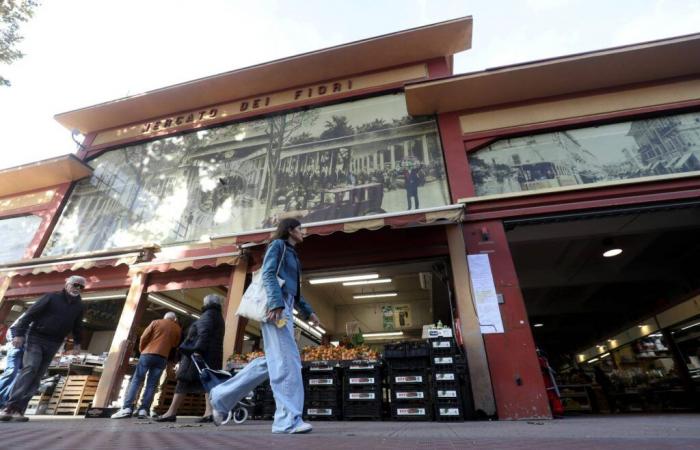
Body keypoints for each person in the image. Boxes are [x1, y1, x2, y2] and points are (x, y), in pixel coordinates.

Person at [209, 218, 320, 433]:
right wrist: (276, 302)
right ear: (290, 230)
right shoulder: (278, 245)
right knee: (287, 362)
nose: (303, 232)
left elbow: (293, 290)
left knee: (273, 362)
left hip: (284, 306)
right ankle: (287, 421)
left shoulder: (293, 253)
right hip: (275, 307)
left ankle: (221, 397)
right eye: (300, 228)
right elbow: (268, 273)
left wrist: (309, 312)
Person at [0, 275, 86, 422]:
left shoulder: (80, 306)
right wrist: (19, 334)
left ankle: (19, 409)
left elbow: (77, 326)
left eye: (81, 286)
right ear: (67, 284)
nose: (77, 288)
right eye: (75, 284)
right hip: (35, 338)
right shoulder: (51, 297)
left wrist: (78, 343)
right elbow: (29, 315)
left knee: (38, 375)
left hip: (54, 343)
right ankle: (10, 407)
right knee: (30, 368)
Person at [154, 294, 224, 423]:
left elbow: (204, 334)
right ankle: (209, 412)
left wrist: (197, 350)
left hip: (198, 355)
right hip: (212, 355)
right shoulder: (218, 316)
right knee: (208, 382)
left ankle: (171, 412)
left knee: (183, 381)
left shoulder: (208, 315)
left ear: (207, 303)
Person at [111, 312, 181, 419]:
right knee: (152, 384)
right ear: (174, 319)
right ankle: (143, 409)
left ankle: (127, 408)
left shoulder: (156, 322)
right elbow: (175, 344)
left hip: (147, 354)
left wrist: (142, 350)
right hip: (162, 357)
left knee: (136, 380)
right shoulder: (177, 328)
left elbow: (144, 337)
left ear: (164, 317)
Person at [0, 316, 25, 408]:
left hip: (29, 349)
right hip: (16, 347)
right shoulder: (32, 313)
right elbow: (12, 329)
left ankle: (5, 402)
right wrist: (15, 339)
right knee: (11, 372)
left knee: (18, 376)